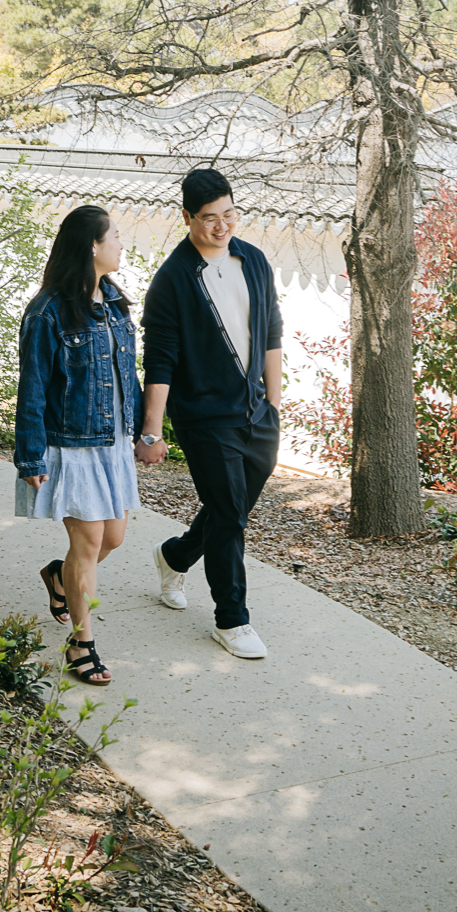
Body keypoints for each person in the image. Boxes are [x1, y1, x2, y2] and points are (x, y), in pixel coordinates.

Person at [136, 168, 282, 658]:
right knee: (228, 513)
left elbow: (272, 334)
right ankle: (232, 619)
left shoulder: (254, 261)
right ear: (187, 218)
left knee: (231, 510)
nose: (222, 227)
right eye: (210, 218)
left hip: (256, 411)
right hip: (203, 414)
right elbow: (158, 360)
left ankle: (174, 556)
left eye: (230, 215)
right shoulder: (173, 280)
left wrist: (275, 405)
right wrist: (152, 430)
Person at [14, 205, 143, 686]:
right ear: (92, 244)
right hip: (70, 444)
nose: (121, 244)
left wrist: (142, 432)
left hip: (112, 442)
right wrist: (29, 454)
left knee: (113, 538)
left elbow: (124, 375)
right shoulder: (47, 310)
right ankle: (81, 644)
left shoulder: (113, 301)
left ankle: (57, 577)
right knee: (87, 544)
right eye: (116, 236)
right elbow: (32, 387)